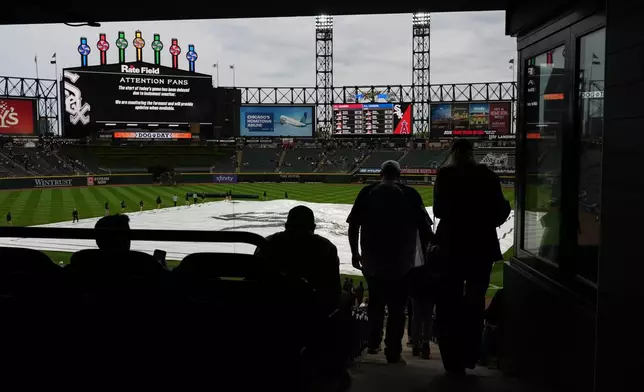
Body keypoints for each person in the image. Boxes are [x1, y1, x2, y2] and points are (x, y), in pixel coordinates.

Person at [432, 139, 511, 377]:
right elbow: (502, 209)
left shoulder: (446, 175)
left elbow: (438, 211)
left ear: (455, 153)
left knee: (448, 303)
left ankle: (451, 360)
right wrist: (485, 221)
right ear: (472, 153)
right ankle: (469, 356)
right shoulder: (487, 175)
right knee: (475, 303)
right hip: (480, 246)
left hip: (452, 247)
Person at [347, 160, 433, 364]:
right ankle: (392, 351)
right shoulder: (410, 194)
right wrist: (426, 258)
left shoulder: (368, 192)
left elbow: (353, 225)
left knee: (376, 303)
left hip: (372, 259)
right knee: (397, 308)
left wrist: (354, 253)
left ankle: (374, 342)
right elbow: (426, 230)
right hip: (402, 262)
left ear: (380, 174)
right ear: (399, 174)